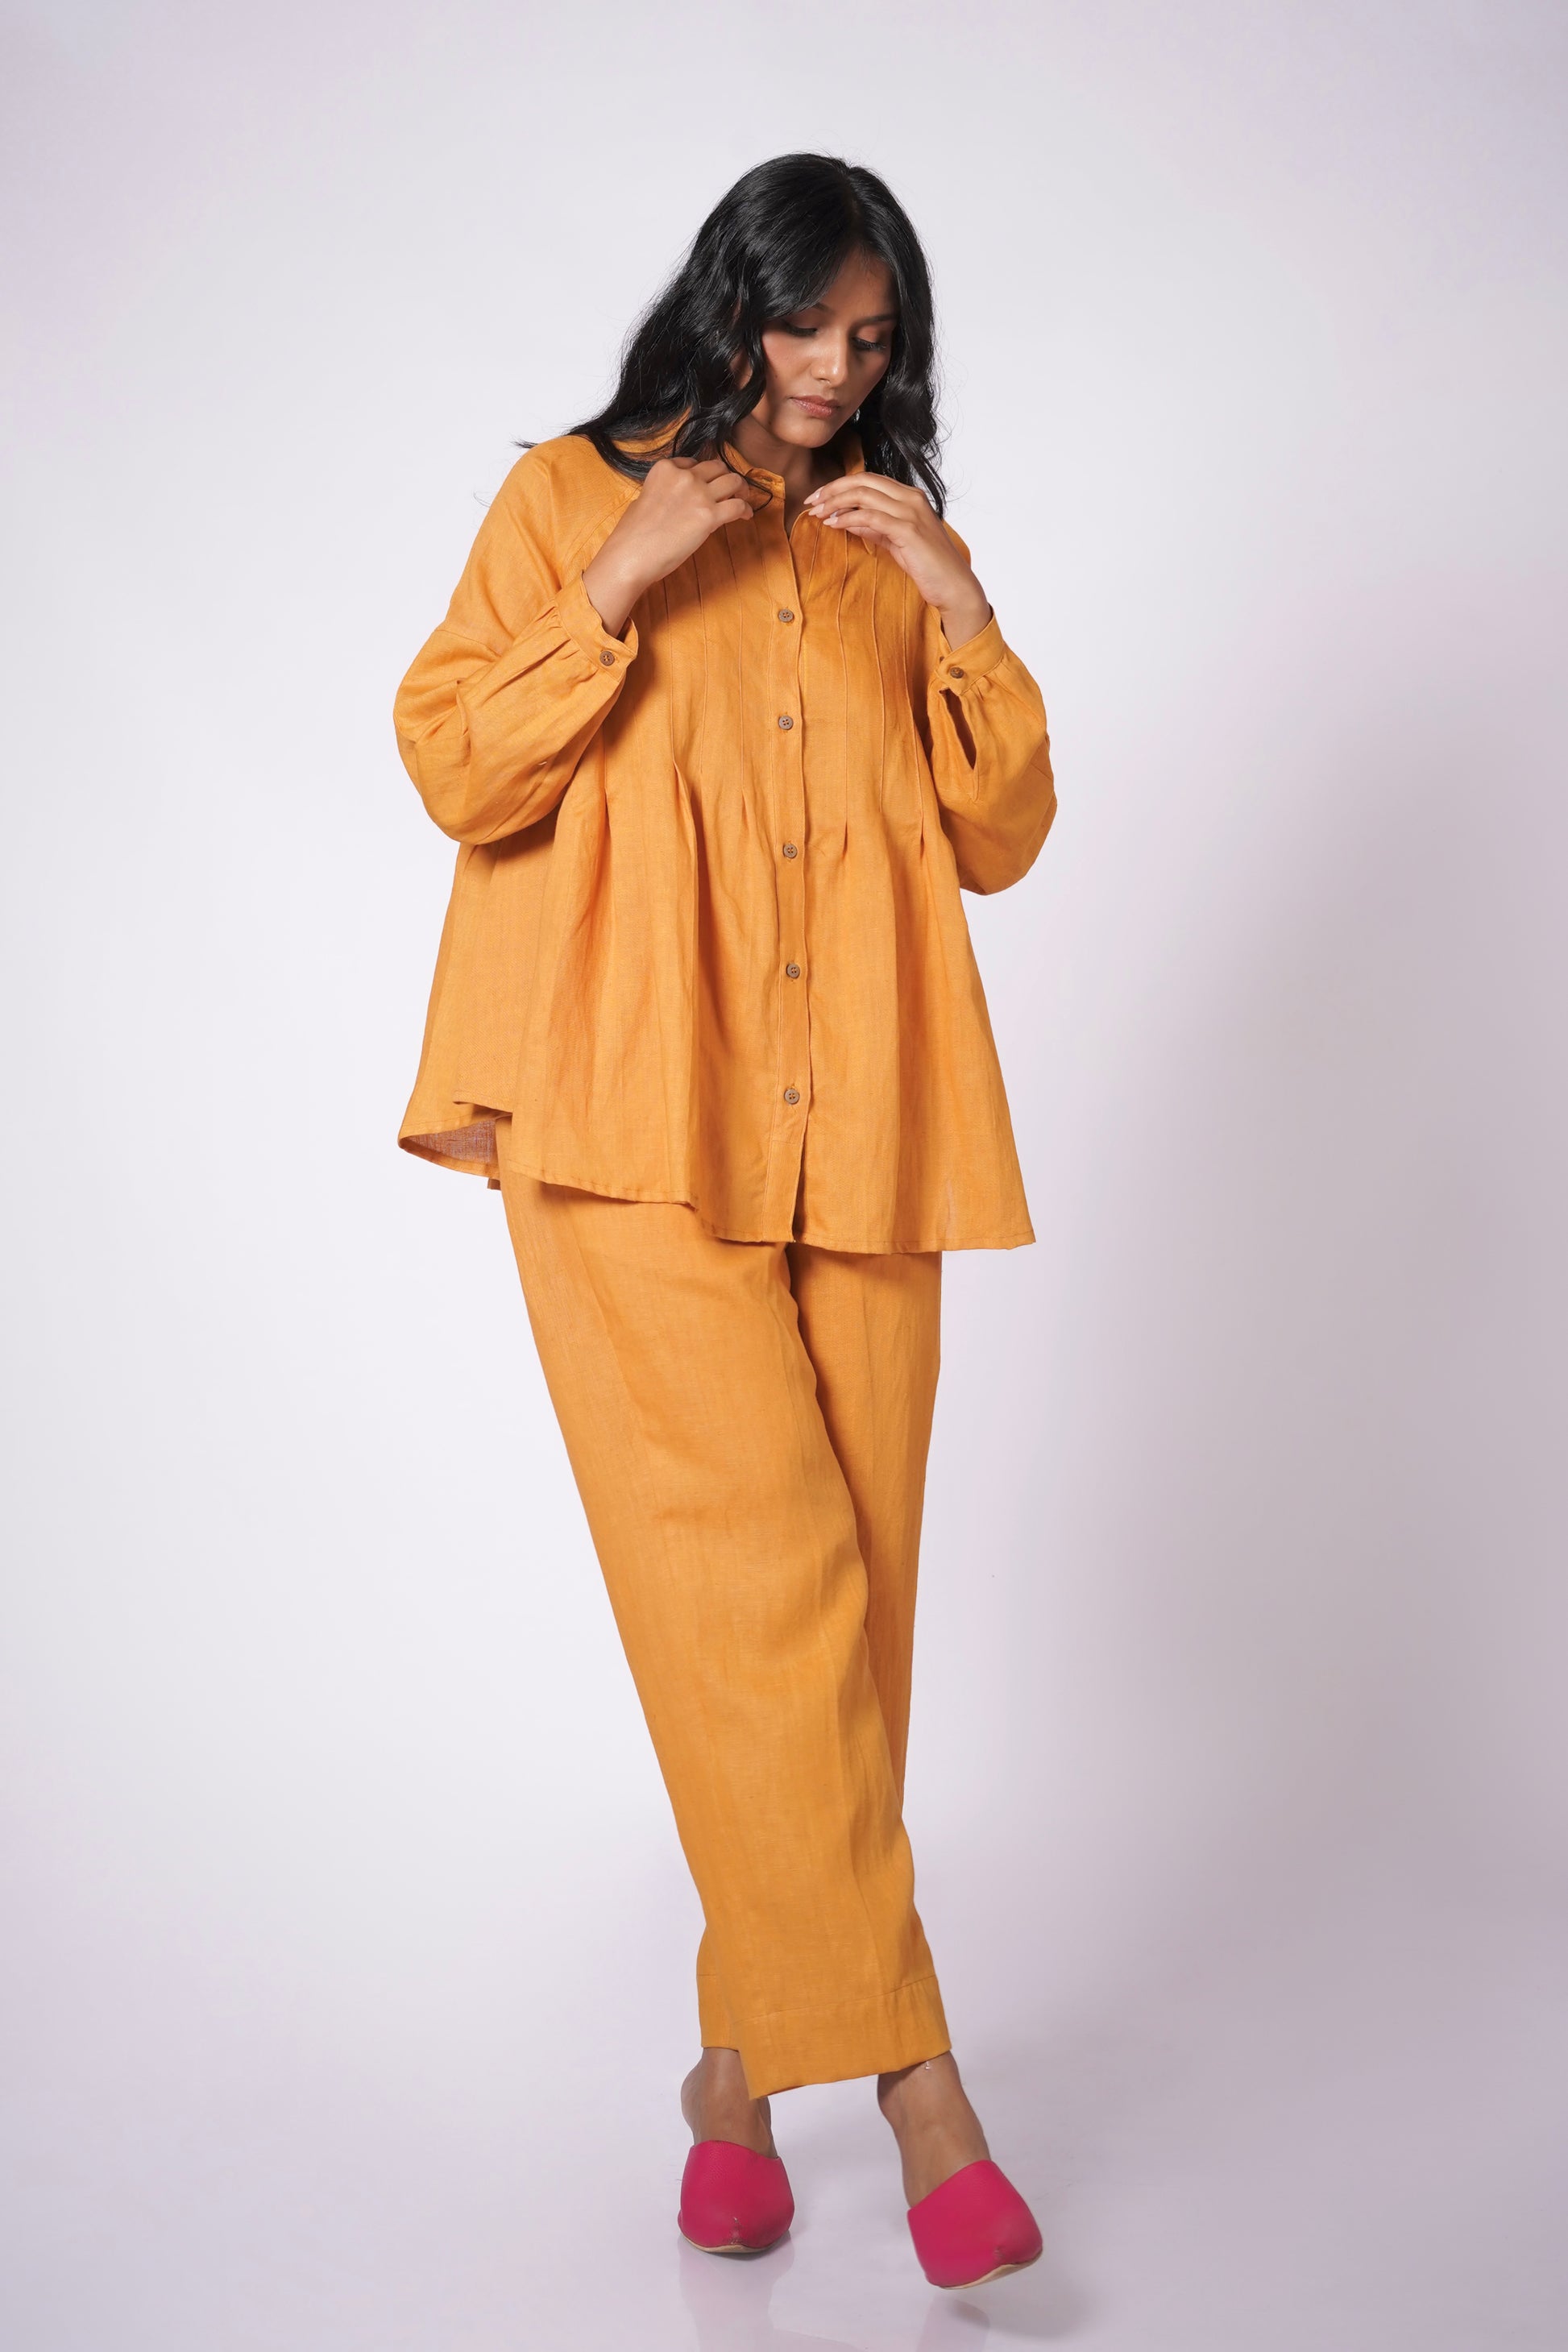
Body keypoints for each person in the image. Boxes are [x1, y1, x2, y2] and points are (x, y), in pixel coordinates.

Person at [392, 152, 1056, 2291]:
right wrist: (617, 578)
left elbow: (999, 834)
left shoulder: (886, 546)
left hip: (863, 1126)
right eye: (802, 326)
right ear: (726, 303)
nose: (833, 370)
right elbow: (456, 767)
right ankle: (922, 2092)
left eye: (871, 340)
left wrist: (958, 599)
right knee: (760, 1593)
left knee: (845, 1622)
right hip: (623, 1119)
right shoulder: (565, 501)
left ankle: (732, 2080)